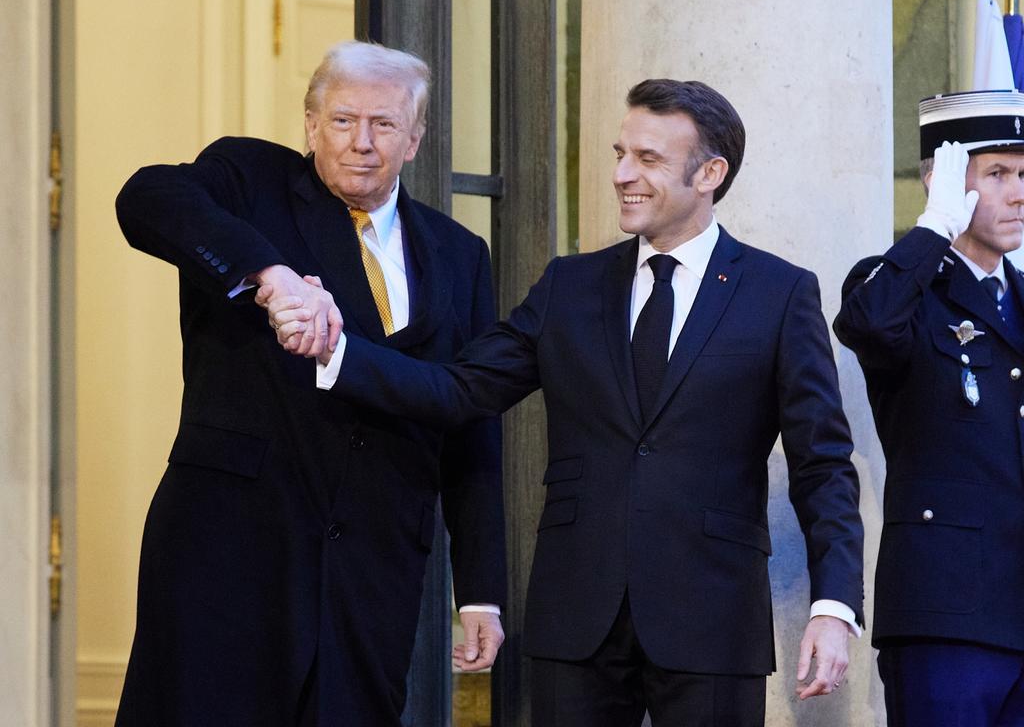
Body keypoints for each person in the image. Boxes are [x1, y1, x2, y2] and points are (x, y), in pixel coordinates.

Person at [270, 79, 865, 726]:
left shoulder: (780, 294)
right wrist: (338, 352)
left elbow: (822, 465)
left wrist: (833, 608)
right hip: (575, 615)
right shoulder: (569, 286)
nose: (621, 175)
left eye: (647, 160)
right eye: (620, 153)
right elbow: (459, 389)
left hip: (711, 618)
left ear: (710, 174)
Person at [114, 40, 506, 727]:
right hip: (231, 551)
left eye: (383, 125)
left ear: (413, 140)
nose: (361, 143)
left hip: (373, 569)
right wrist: (271, 276)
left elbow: (470, 427)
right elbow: (145, 197)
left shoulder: (460, 254)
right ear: (311, 126)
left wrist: (480, 592)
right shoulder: (248, 178)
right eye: (344, 120)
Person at [835, 90, 1024, 726]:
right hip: (946, 617)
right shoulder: (899, 288)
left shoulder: (1021, 300)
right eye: (996, 174)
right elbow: (866, 323)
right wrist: (932, 227)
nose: (1018, 192)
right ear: (939, 181)